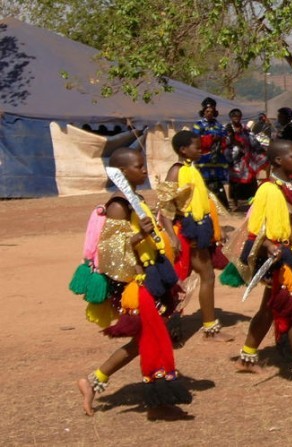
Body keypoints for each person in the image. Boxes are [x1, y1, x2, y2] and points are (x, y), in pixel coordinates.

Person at [73, 148, 191, 418]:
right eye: (139, 166)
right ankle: (158, 401)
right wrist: (140, 236)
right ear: (123, 172)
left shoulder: (135, 199)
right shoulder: (118, 205)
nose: (145, 170)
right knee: (153, 338)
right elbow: (111, 252)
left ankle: (92, 381)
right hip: (137, 284)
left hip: (153, 276)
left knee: (144, 340)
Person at [234, 140, 292, 389]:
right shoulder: (268, 190)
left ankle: (247, 356)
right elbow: (255, 229)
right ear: (277, 161)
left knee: (268, 309)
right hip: (277, 259)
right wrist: (268, 246)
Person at [157, 131, 234, 342]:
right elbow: (164, 208)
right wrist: (172, 238)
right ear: (183, 150)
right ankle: (169, 328)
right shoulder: (176, 171)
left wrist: (218, 230)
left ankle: (208, 328)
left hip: (199, 230)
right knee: (181, 281)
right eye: (197, 147)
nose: (201, 150)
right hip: (185, 232)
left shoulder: (192, 170)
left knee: (206, 275)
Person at [192, 97, 230, 209]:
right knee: (204, 182)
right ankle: (204, 206)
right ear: (203, 111)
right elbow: (195, 139)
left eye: (212, 112)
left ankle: (222, 206)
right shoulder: (198, 125)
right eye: (207, 111)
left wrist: (221, 138)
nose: (209, 113)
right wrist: (211, 138)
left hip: (217, 158)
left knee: (218, 183)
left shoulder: (219, 125)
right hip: (204, 158)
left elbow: (225, 138)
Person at [225, 108, 259, 211]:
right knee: (235, 182)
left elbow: (251, 139)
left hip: (246, 158)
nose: (237, 119)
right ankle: (235, 203)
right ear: (231, 117)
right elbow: (226, 142)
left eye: (238, 116)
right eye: (234, 116)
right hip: (234, 158)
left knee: (251, 180)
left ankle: (251, 203)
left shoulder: (244, 128)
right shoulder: (228, 128)